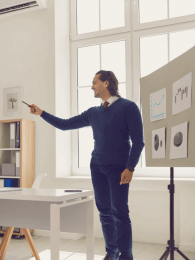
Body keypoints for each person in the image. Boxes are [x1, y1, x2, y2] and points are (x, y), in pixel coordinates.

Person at [29, 71, 144, 260]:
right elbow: (65, 124)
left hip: (119, 168)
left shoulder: (128, 107)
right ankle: (111, 253)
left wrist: (130, 168)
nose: (92, 86)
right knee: (105, 213)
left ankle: (125, 256)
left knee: (119, 212)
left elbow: (138, 141)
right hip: (97, 167)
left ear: (106, 83)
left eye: (94, 82)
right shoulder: (93, 112)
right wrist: (41, 113)